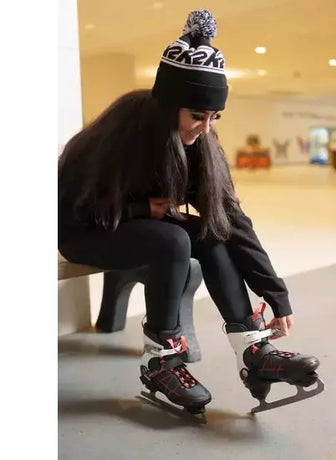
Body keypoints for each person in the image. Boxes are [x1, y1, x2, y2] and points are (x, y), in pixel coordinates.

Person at [58, 10, 320, 416]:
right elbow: (74, 208)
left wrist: (276, 294)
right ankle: (160, 360)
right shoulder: (124, 129)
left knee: (211, 232)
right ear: (169, 106)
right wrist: (141, 208)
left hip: (140, 224)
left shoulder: (197, 144)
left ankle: (253, 350)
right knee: (173, 239)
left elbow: (232, 221)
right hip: (81, 228)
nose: (206, 128)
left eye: (214, 117)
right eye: (197, 116)